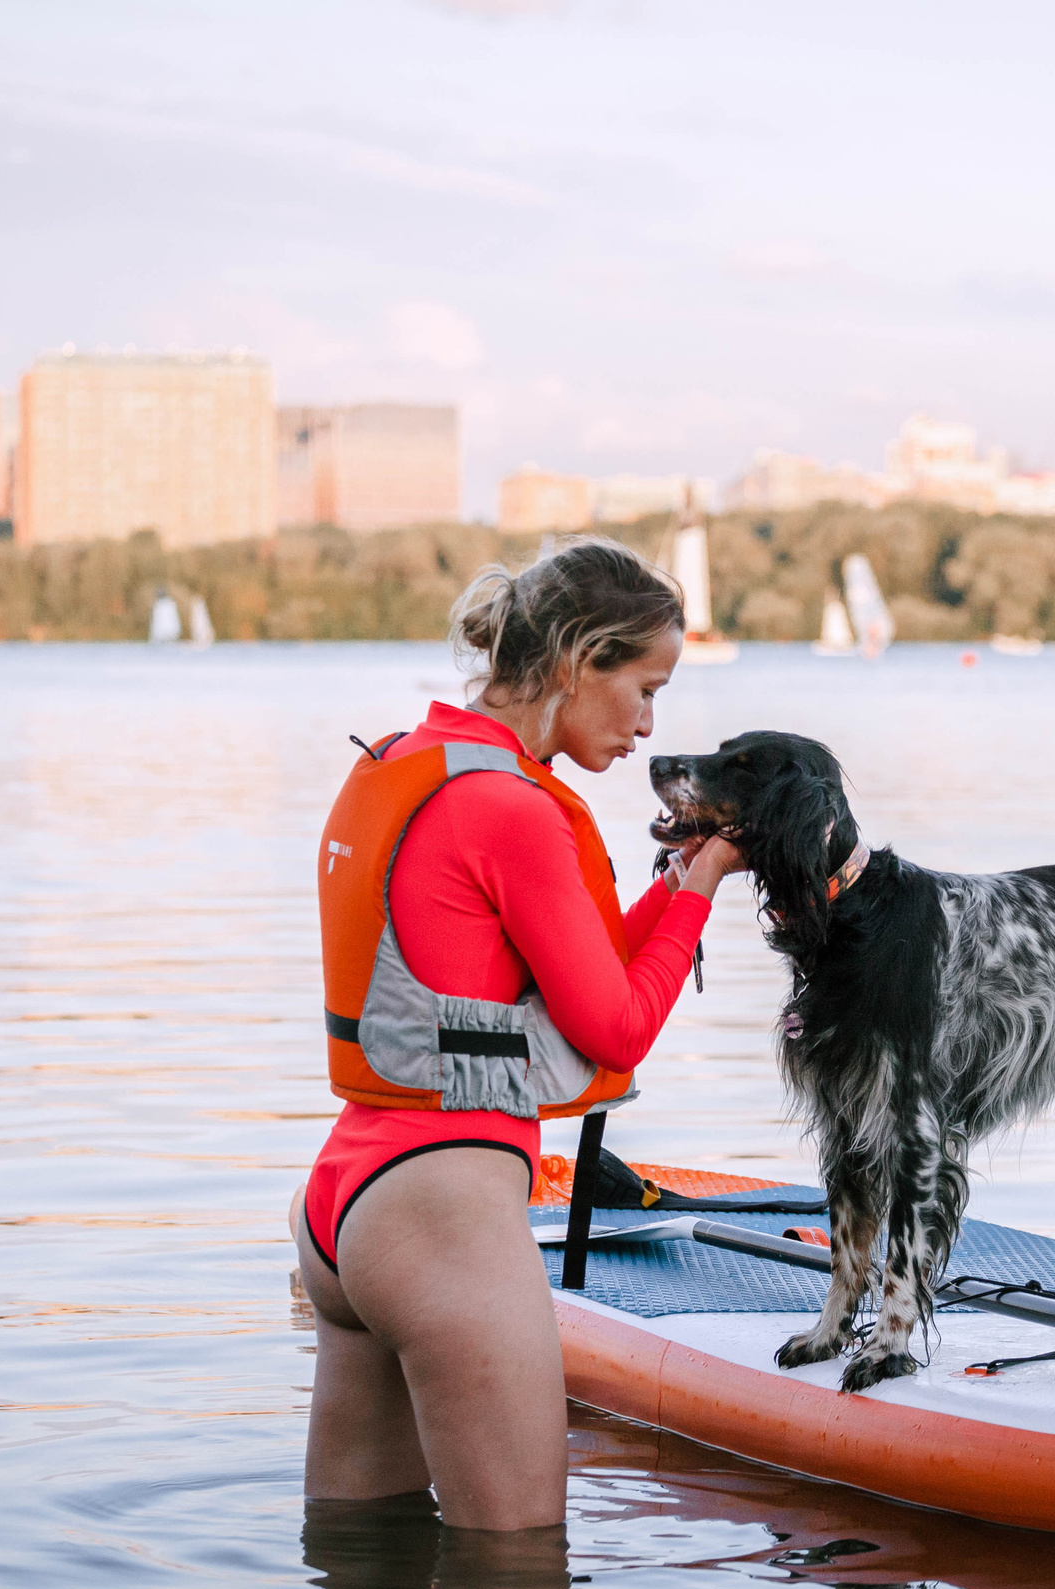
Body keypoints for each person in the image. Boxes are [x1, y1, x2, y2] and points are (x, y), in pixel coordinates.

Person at [292, 537, 743, 1530]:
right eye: (645, 685)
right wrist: (703, 889)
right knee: (514, 1580)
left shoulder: (409, 764)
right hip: (442, 1213)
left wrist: (674, 888)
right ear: (583, 659)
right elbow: (615, 1028)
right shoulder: (514, 809)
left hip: (345, 1201)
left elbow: (552, 977)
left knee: (358, 1571)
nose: (649, 724)